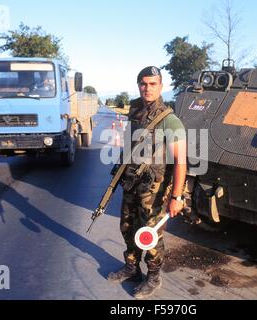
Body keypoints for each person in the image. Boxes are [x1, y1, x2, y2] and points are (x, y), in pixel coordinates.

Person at [107, 66, 187, 299]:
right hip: (132, 182)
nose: (147, 88)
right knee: (127, 227)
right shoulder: (135, 112)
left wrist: (177, 197)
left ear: (161, 86)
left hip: (154, 189)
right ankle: (132, 268)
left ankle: (153, 276)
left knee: (150, 234)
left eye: (153, 84)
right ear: (139, 85)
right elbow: (130, 146)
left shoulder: (169, 121)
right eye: (143, 83)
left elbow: (181, 161)